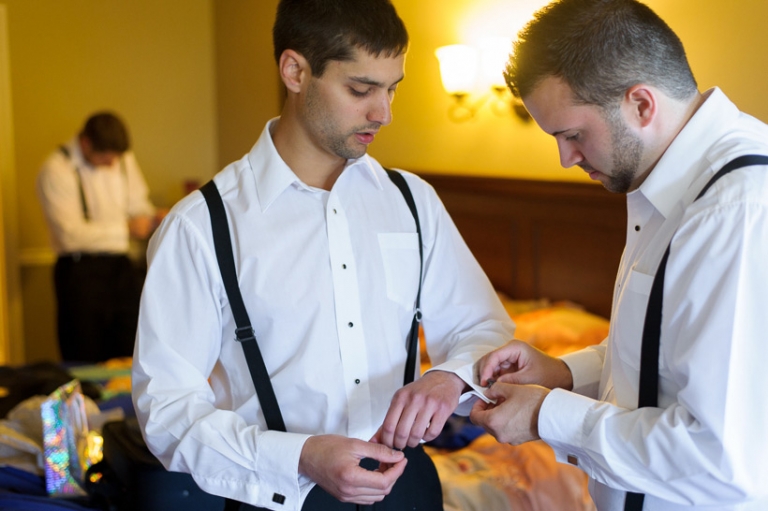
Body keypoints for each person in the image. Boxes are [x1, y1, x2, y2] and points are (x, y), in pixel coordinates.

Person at [131, 1, 514, 510]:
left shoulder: (412, 202)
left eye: (392, 88)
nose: (384, 113)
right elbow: (167, 410)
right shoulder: (200, 227)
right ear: (294, 71)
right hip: (275, 493)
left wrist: (449, 376)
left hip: (408, 489)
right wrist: (301, 455)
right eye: (361, 90)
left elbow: (484, 330)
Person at [469, 0, 768, 510]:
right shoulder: (664, 185)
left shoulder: (735, 210)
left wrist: (548, 416)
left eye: (572, 134)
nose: (566, 159)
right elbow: (664, 358)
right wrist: (564, 374)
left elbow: (721, 461)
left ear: (641, 105)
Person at [37, 111, 164, 363]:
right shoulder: (55, 169)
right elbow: (70, 235)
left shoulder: (123, 159)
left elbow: (137, 203)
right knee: (85, 351)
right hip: (79, 274)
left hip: (122, 269)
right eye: (106, 158)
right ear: (86, 144)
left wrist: (152, 218)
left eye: (116, 158)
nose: (112, 164)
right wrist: (127, 229)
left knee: (133, 349)